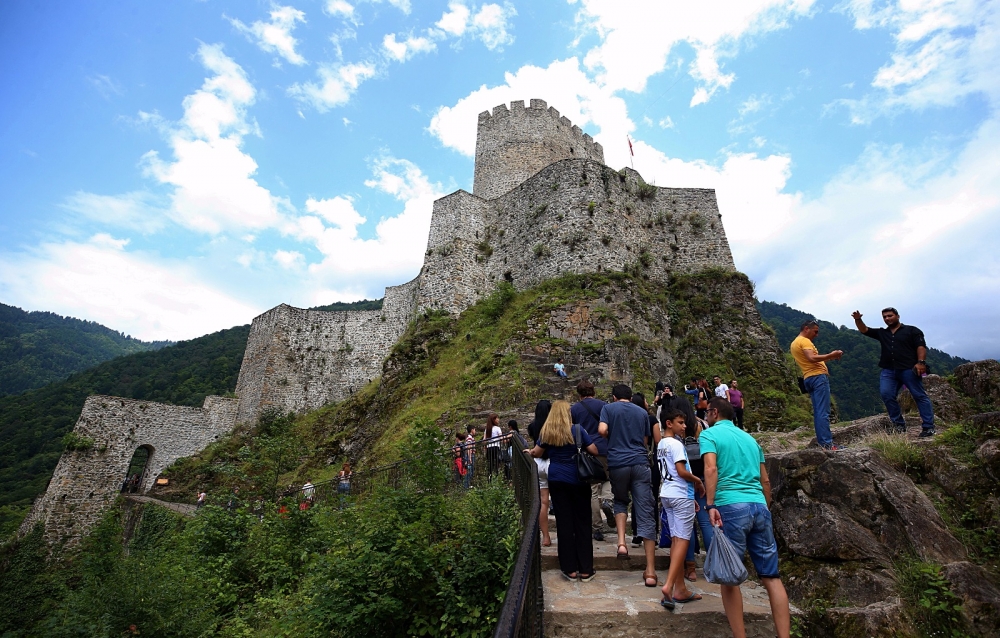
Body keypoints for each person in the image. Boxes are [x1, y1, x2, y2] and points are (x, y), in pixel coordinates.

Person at [701, 397, 791, 638]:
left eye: (707, 411)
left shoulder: (709, 436)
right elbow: (766, 481)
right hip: (759, 506)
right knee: (771, 576)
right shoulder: (751, 440)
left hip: (731, 506)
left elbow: (710, 469)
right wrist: (765, 507)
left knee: (729, 576)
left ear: (715, 413)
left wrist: (710, 504)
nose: (705, 415)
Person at [527, 400, 600, 581]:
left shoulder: (547, 432)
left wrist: (529, 452)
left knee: (564, 523)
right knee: (582, 522)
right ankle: (586, 568)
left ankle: (569, 569)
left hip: (557, 479)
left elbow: (537, 452)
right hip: (578, 479)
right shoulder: (577, 430)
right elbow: (594, 450)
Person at [599, 384, 659, 588]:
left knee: (621, 501)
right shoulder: (642, 412)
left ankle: (622, 543)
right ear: (631, 396)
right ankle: (650, 572)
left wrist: (612, 436)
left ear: (614, 397)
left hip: (618, 462)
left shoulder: (608, 408)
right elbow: (644, 440)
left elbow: (602, 430)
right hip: (640, 462)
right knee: (645, 510)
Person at [852, 308, 936, 437]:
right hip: (889, 370)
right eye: (884, 317)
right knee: (887, 394)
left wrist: (921, 362)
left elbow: (921, 346)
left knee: (919, 396)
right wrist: (858, 319)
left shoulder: (912, 330)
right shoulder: (882, 333)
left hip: (908, 369)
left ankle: (928, 427)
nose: (887, 319)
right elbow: (864, 330)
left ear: (898, 316)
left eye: (890, 316)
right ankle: (898, 425)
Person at [657, 408, 705, 609]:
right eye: (680, 422)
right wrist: (697, 482)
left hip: (667, 493)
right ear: (669, 423)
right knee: (683, 540)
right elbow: (681, 471)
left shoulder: (661, 444)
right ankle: (669, 586)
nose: (684, 426)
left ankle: (680, 588)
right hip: (680, 493)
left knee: (676, 540)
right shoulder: (676, 444)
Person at [790, 319, 844, 450]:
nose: (816, 335)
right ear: (806, 329)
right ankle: (827, 444)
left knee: (819, 412)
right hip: (817, 377)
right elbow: (811, 358)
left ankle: (824, 442)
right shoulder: (804, 341)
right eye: (815, 331)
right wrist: (831, 355)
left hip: (808, 378)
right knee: (823, 412)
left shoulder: (794, 343)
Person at [571, 380, 613, 541]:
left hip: (587, 450)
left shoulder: (574, 409)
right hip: (606, 447)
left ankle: (597, 528)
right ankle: (608, 500)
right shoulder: (604, 406)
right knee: (608, 478)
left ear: (579, 393)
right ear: (593, 391)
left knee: (593, 489)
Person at [630, 393, 661, 547]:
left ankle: (636, 533)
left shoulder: (630, 419)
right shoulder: (651, 419)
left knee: (636, 496)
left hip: (632, 458)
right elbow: (657, 440)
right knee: (651, 497)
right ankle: (652, 534)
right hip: (649, 460)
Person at [528, 400, 553, 547]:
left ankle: (545, 536)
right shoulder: (553, 427)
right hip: (553, 462)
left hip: (538, 462)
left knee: (543, 502)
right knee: (558, 498)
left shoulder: (533, 426)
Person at [485, 413, 504, 477]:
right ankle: (496, 477)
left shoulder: (487, 429)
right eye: (497, 418)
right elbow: (501, 438)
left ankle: (490, 478)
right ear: (494, 420)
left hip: (489, 448)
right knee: (496, 464)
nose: (498, 419)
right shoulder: (497, 428)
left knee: (490, 465)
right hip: (496, 447)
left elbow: (484, 440)